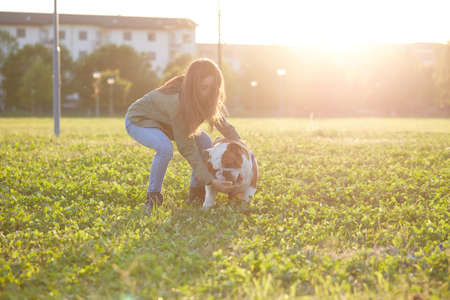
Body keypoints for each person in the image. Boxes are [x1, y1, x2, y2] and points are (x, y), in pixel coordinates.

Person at [125, 58, 242, 213]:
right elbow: (187, 148)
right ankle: (152, 197)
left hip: (166, 125)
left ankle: (196, 193)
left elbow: (225, 126)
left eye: (213, 87)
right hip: (140, 120)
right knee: (165, 148)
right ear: (193, 85)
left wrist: (243, 148)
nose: (208, 92)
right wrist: (211, 181)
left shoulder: (207, 97)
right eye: (204, 87)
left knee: (205, 141)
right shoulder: (177, 102)